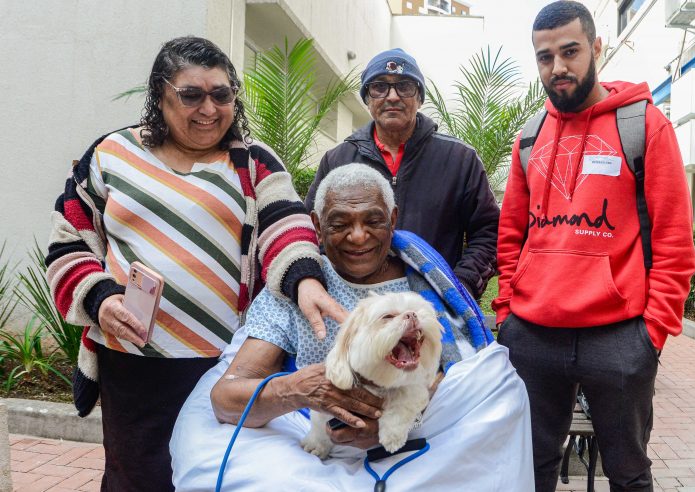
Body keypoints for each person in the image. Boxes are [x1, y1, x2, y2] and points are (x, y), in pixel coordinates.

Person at [45, 36, 345, 491]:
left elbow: (288, 225)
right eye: (191, 95)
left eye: (221, 94)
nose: (209, 108)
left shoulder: (253, 163)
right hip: (131, 361)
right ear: (160, 95)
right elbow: (68, 243)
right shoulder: (111, 155)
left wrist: (304, 280)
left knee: (208, 476)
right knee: (135, 477)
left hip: (222, 367)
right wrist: (102, 299)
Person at [170, 164, 534, 491]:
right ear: (317, 225)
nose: (358, 236)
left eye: (373, 221)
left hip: (416, 444)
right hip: (313, 442)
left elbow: (462, 377)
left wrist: (408, 416)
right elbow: (225, 400)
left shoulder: (424, 286)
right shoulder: (299, 287)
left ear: (393, 219)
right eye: (340, 223)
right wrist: (297, 390)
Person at [492, 2, 695, 491]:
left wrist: (652, 333)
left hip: (619, 337)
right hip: (534, 335)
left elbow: (674, 241)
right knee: (530, 466)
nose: (558, 67)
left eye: (570, 51)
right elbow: (511, 234)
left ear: (596, 48)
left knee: (627, 472)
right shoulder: (531, 136)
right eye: (545, 57)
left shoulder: (644, 125)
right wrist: (507, 315)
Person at [304, 48, 499, 299]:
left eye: (404, 86)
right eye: (379, 87)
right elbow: (310, 230)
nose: (392, 96)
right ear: (367, 98)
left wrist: (459, 286)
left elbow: (489, 232)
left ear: (419, 97)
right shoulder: (337, 159)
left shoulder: (460, 159)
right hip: (353, 304)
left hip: (436, 305)